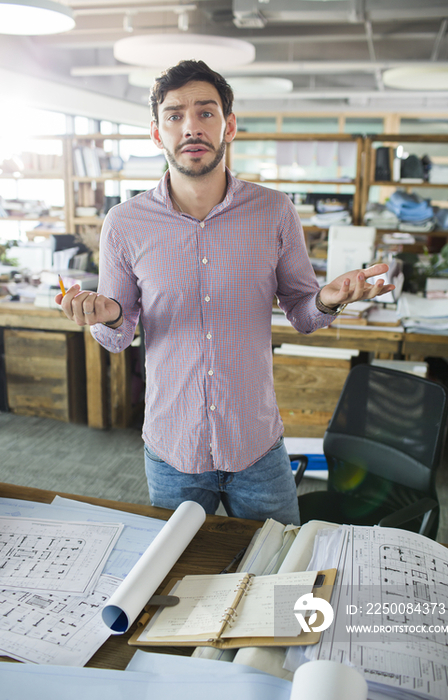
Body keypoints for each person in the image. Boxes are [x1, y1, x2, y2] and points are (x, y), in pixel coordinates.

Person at [57, 60, 394, 526]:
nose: (191, 126)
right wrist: (107, 315)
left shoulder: (274, 211)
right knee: (177, 582)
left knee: (279, 576)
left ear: (229, 125)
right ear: (157, 133)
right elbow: (118, 333)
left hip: (254, 442)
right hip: (173, 446)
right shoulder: (123, 223)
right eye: (174, 115)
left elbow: (302, 312)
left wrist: (327, 299)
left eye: (205, 112)